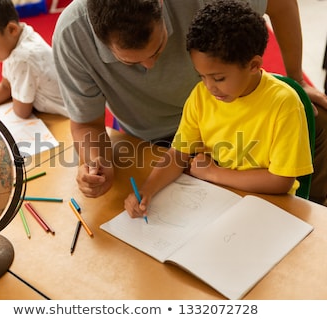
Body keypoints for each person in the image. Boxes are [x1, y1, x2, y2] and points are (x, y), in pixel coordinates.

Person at [52, 0, 327, 206]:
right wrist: (95, 163)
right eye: (129, 62)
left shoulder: (209, 90)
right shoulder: (72, 36)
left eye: (159, 47)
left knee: (317, 118)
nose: (151, 66)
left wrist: (296, 81)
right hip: (155, 139)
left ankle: (316, 209)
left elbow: (281, 3)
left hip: (225, 126)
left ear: (162, 6)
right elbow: (86, 123)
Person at [124, 0, 313, 218]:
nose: (209, 87)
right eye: (201, 76)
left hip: (270, 208)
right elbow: (178, 154)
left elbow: (281, 180)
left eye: (219, 78)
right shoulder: (200, 96)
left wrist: (214, 173)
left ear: (253, 65)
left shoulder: (284, 104)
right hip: (217, 203)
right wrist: (147, 190)